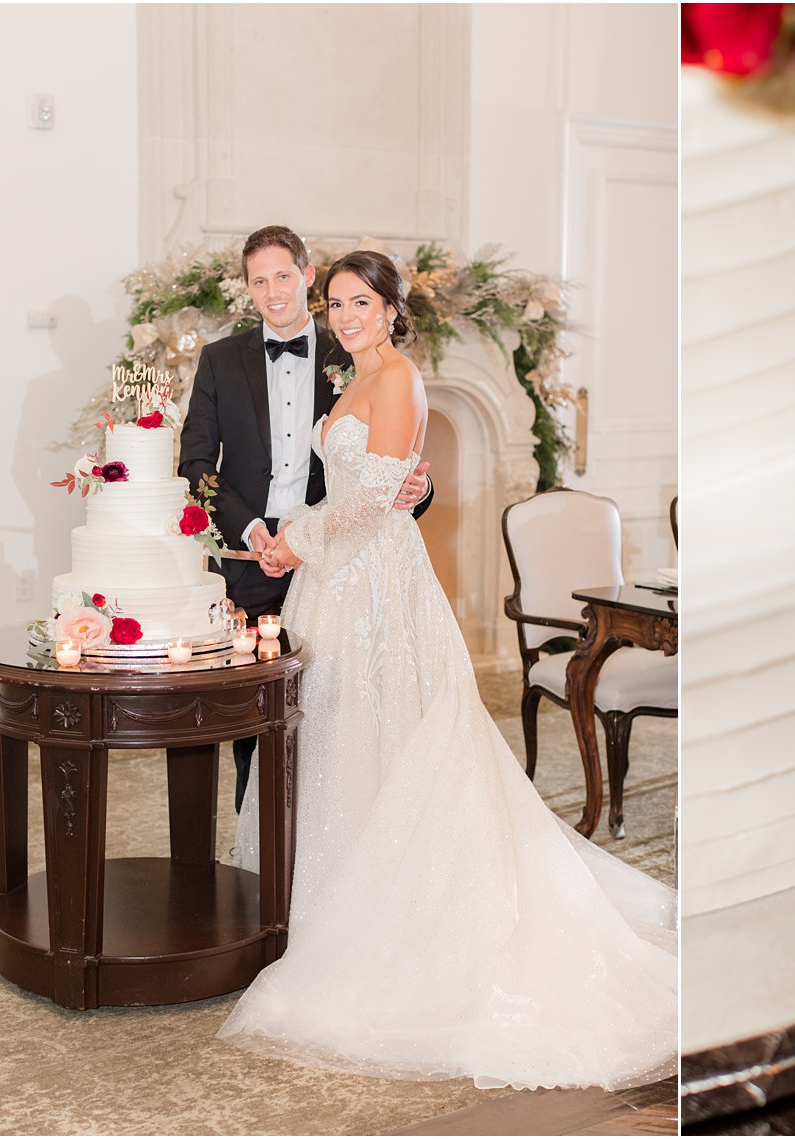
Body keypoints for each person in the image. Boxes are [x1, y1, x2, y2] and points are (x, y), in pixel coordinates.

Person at [216, 250, 676, 1090]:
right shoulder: (348, 378)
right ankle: (311, 904)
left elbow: (370, 500)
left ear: (393, 309)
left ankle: (384, 918)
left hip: (378, 583)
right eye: (337, 303)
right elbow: (369, 484)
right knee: (333, 734)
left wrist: (297, 540)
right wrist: (308, 541)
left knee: (383, 734)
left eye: (361, 302)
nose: (346, 315)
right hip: (334, 585)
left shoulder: (396, 379)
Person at [179, 226, 433, 813]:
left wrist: (419, 484)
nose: (273, 292)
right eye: (259, 280)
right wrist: (248, 529)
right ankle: (260, 857)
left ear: (307, 275)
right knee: (254, 717)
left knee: (346, 712)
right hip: (252, 558)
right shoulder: (219, 360)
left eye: (283, 276)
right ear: (246, 288)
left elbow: (388, 463)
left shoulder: (353, 350)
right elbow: (196, 464)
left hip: (340, 555)